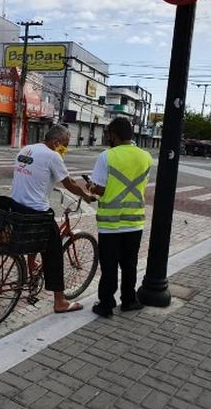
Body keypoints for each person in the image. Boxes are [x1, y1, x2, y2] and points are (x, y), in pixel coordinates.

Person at [11, 124, 96, 313]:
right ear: (56, 142)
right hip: (36, 212)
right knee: (55, 253)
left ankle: (31, 265)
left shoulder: (27, 148)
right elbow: (69, 183)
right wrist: (86, 196)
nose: (65, 148)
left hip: (16, 207)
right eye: (65, 144)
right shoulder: (53, 155)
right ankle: (60, 301)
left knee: (36, 240)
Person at [87, 117, 153, 318]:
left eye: (108, 134)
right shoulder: (146, 157)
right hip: (134, 222)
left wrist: (90, 186)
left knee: (109, 267)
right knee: (129, 265)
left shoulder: (107, 156)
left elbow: (100, 189)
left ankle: (106, 305)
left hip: (110, 224)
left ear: (114, 135)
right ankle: (129, 301)